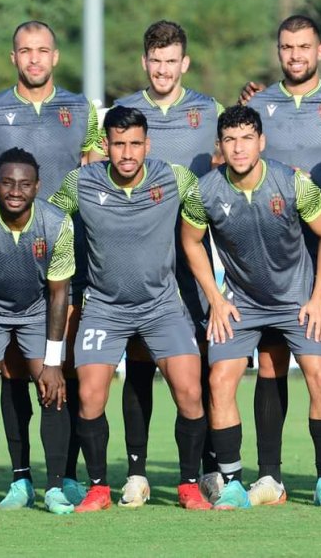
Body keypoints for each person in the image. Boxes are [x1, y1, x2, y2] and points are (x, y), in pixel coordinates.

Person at [0, 21, 103, 508]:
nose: (35, 59)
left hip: (69, 253)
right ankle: (20, 477)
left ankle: (66, 476)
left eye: (43, 50)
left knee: (65, 372)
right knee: (12, 374)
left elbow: (95, 171)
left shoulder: (82, 109)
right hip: (4, 254)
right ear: (13, 57)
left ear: (56, 56)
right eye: (25, 51)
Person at [182, 105, 321, 509]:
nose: (239, 148)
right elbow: (190, 242)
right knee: (220, 380)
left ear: (261, 142)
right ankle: (234, 484)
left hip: (297, 298)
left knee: (318, 375)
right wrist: (216, 299)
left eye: (246, 139)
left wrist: (319, 296)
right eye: (230, 140)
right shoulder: (203, 190)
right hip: (242, 303)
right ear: (219, 146)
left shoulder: (294, 184)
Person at [49, 106, 211, 512]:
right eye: (118, 144)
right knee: (88, 395)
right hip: (104, 307)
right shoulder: (80, 182)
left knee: (191, 391)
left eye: (134, 144)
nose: (126, 153)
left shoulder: (175, 178)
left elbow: (213, 208)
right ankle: (99, 487)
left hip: (162, 305)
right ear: (105, 145)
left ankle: (189, 485)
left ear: (147, 144)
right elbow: (45, 218)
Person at [237, 15, 321, 504]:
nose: (295, 55)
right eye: (287, 47)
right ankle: (268, 476)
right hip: (271, 256)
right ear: (278, 51)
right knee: (270, 364)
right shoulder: (258, 104)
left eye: (304, 47)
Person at [111, 20, 224, 506]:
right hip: (139, 252)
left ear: (185, 63)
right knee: (138, 362)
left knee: (196, 361)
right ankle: (136, 471)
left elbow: (235, 157)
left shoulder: (209, 110)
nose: (162, 69)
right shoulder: (123, 112)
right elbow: (97, 168)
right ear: (144, 63)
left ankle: (204, 469)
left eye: (170, 61)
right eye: (154, 62)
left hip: (194, 250)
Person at [0, 148, 76, 516]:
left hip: (37, 309)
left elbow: (59, 295)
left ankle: (54, 489)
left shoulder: (57, 223)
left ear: (38, 187)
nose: (15, 190)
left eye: (24, 184)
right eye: (7, 182)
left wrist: (54, 362)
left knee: (52, 388)